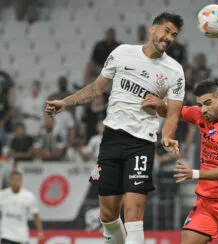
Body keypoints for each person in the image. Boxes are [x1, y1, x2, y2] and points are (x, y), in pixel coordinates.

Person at [45, 12, 185, 244]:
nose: (169, 37)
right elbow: (95, 89)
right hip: (111, 141)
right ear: (152, 29)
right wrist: (65, 102)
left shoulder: (174, 70)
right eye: (166, 30)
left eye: (174, 35)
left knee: (133, 213)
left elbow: (174, 112)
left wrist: (168, 135)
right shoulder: (122, 53)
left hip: (142, 142)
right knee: (108, 216)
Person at [146, 81, 218, 244]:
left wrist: (194, 173)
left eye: (208, 103)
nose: (203, 109)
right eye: (200, 105)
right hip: (206, 203)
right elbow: (170, 112)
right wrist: (160, 104)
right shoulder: (199, 114)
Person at [0, 171, 44, 244]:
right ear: (9, 182)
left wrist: (40, 231)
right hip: (6, 235)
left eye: (18, 180)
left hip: (22, 236)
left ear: (21, 182)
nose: (15, 182)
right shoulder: (2, 195)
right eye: (13, 180)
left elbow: (35, 215)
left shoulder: (29, 196)